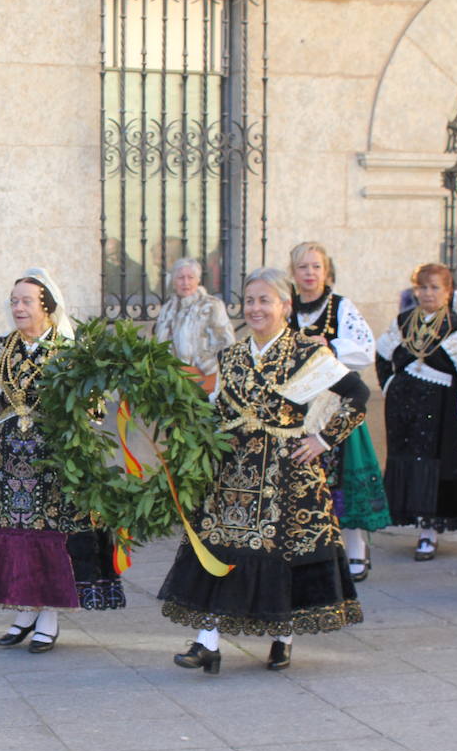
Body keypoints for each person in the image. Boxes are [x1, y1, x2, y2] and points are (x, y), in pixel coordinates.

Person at [160, 268, 368, 673]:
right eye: (250, 301)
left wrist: (322, 440)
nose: (255, 308)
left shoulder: (305, 354)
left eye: (264, 300)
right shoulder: (233, 355)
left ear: (285, 307)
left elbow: (357, 395)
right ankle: (207, 642)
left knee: (281, 556)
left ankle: (282, 636)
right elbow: (218, 411)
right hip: (235, 472)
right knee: (220, 550)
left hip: (287, 473)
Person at [0, 267, 125, 654]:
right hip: (9, 458)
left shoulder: (70, 352)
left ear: (47, 307)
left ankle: (48, 614)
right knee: (16, 533)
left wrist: (66, 434)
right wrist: (10, 424)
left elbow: (93, 405)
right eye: (14, 301)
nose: (18, 307)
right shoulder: (0, 349)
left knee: (51, 532)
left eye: (26, 301)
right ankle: (24, 610)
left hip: (57, 458)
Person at [289, 241, 389, 581]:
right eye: (303, 267)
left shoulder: (340, 307)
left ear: (326, 271)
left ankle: (356, 546)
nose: (310, 273)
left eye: (316, 267)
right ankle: (317, 548)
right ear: (293, 272)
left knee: (344, 478)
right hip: (301, 408)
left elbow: (365, 350)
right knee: (312, 480)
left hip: (338, 406)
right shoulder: (287, 308)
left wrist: (329, 346)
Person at [376, 264, 457, 559]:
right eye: (422, 287)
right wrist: (390, 386)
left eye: (435, 287)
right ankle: (414, 519)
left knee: (434, 463)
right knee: (409, 462)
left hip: (440, 407)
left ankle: (429, 531)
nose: (427, 293)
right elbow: (383, 356)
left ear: (448, 292)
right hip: (404, 408)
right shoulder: (403, 322)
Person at [153, 256, 236, 393]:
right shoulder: (167, 309)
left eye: (190, 277)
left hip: (205, 377)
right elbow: (160, 344)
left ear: (198, 280)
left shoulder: (212, 305)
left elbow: (226, 342)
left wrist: (204, 367)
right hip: (176, 381)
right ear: (173, 282)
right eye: (180, 278)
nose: (185, 282)